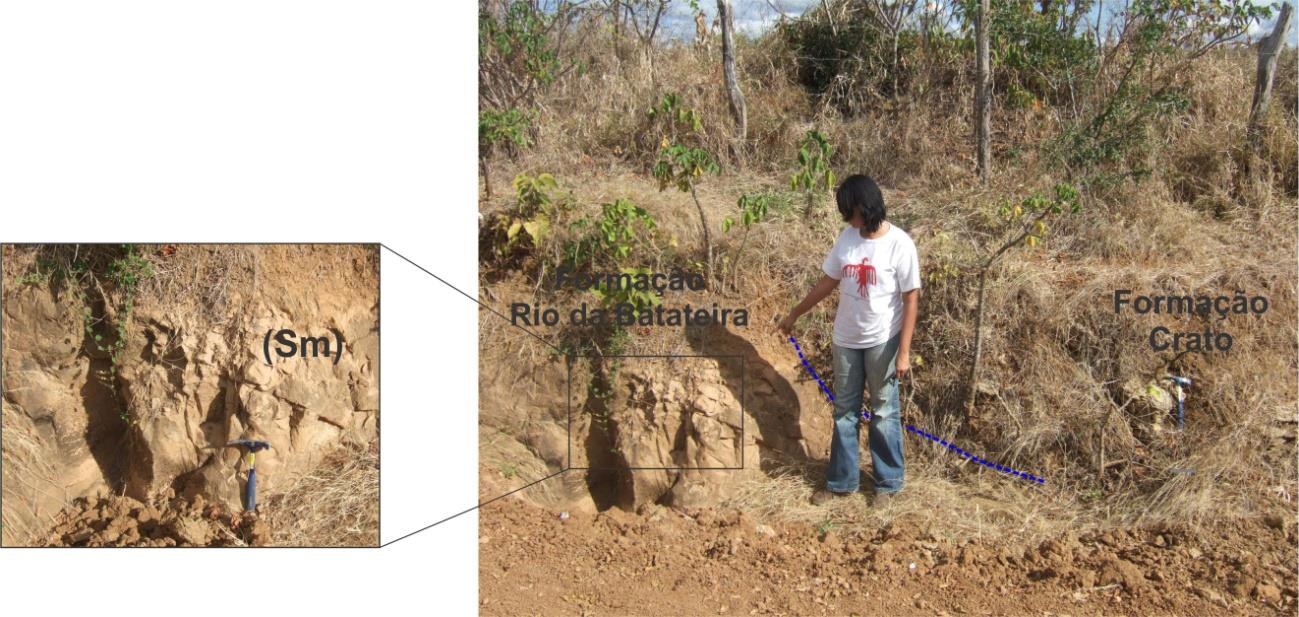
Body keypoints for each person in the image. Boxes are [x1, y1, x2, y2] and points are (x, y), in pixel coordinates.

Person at [777, 174, 921, 506]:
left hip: (882, 341)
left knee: (884, 411)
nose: (847, 219)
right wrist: (795, 313)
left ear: (865, 207)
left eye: (850, 212)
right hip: (845, 340)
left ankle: (888, 483)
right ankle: (842, 482)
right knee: (845, 411)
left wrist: (903, 352)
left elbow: (911, 298)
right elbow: (828, 282)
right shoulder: (847, 238)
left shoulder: (900, 244)